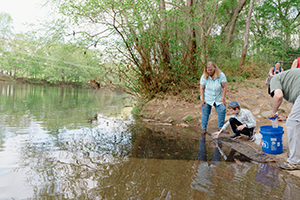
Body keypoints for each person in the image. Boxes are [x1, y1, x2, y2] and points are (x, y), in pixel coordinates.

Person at [269, 68, 300, 170]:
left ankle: (295, 161)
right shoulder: (290, 80)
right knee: (293, 121)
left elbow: (278, 96)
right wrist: (287, 117)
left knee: (292, 123)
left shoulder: (274, 79)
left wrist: (273, 111)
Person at [200, 61, 228, 134]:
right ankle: (204, 128)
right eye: (208, 70)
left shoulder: (221, 75)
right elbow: (202, 88)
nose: (210, 72)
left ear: (214, 68)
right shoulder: (204, 76)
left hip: (218, 98)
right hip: (207, 98)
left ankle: (220, 128)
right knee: (205, 112)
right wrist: (202, 99)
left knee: (222, 109)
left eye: (211, 70)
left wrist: (223, 98)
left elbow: (224, 87)